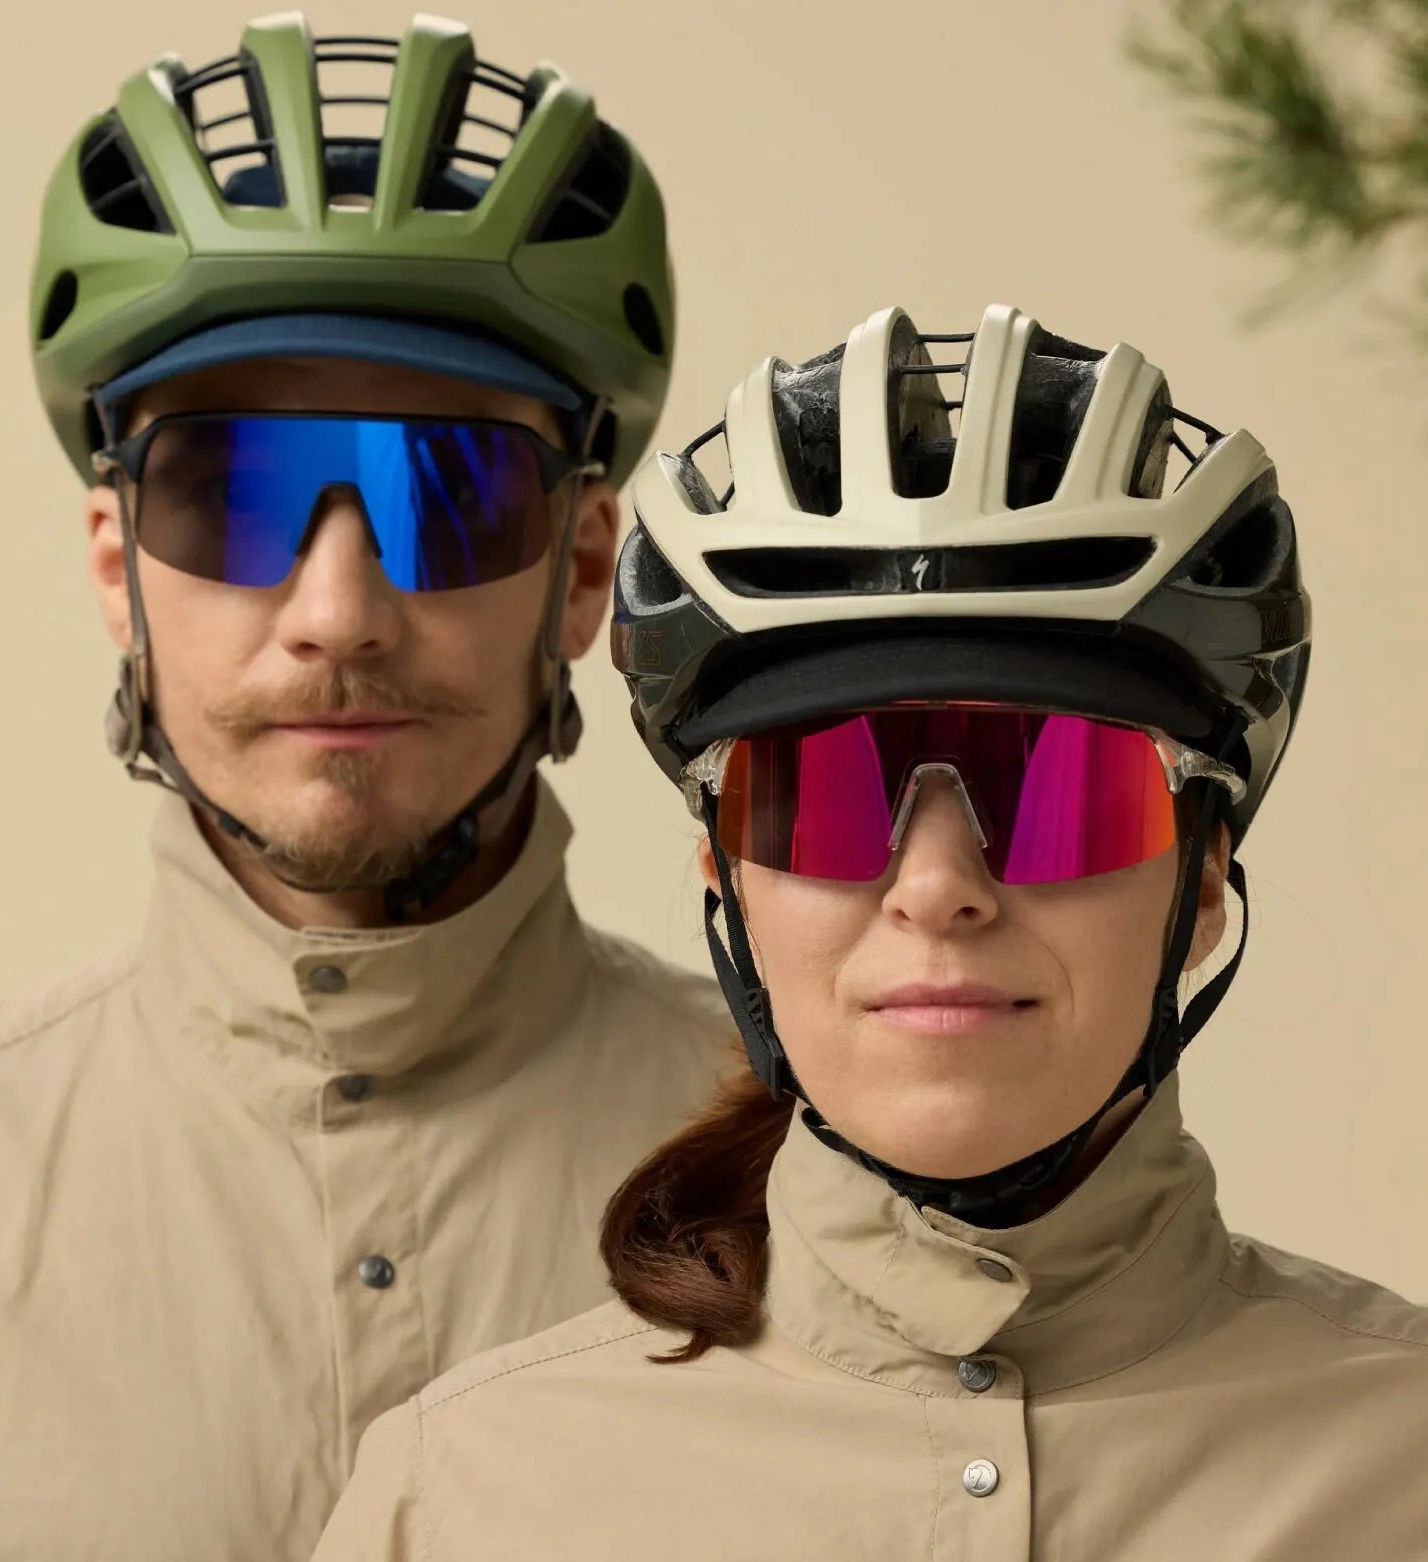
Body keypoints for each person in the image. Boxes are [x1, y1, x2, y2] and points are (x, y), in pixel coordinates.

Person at [314, 302, 1428, 1560]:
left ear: (1203, 876)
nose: (935, 887)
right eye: (824, 794)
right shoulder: (461, 1499)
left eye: (1060, 791)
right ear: (724, 878)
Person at [0, 15, 732, 1561]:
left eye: (448, 491)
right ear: (117, 571)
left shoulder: (816, 1165)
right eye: (229, 491)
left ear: (585, 567)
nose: (338, 612)